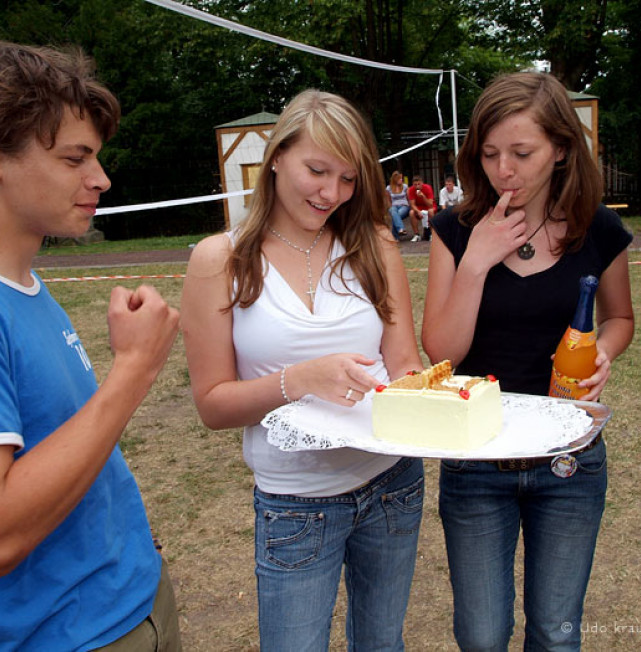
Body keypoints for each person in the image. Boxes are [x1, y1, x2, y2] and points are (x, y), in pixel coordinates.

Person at [0, 39, 181, 650]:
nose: (100, 179)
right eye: (73, 159)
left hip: (130, 605)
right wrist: (133, 370)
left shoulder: (20, 283)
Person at [181, 89, 424, 650]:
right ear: (275, 158)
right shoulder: (221, 259)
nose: (331, 193)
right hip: (295, 502)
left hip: (393, 487)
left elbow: (405, 362)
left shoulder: (375, 245)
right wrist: (300, 380)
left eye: (348, 179)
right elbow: (212, 405)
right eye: (317, 170)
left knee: (382, 643)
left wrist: (446, 398)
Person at [422, 71, 634, 650]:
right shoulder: (455, 229)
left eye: (521, 152)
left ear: (562, 148)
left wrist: (604, 354)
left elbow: (620, 320)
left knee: (556, 633)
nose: (502, 170)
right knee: (483, 636)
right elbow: (441, 352)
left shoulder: (598, 227)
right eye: (489, 153)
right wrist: (475, 262)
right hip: (475, 464)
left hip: (570, 460)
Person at [407, 174, 436, 241]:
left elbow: (430, 204)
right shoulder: (411, 190)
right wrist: (418, 211)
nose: (417, 186)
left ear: (422, 183)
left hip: (429, 206)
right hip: (419, 207)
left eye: (418, 184)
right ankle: (416, 234)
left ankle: (432, 234)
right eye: (415, 184)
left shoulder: (428, 188)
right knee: (411, 213)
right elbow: (412, 204)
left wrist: (423, 196)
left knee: (430, 211)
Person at [386, 170, 410, 240]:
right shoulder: (388, 188)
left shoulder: (405, 186)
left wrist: (410, 206)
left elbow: (408, 198)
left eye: (401, 178)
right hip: (393, 206)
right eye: (399, 178)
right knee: (393, 211)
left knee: (396, 215)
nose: (401, 180)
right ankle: (401, 229)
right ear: (395, 179)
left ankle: (395, 236)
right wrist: (390, 207)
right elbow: (388, 200)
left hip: (404, 205)